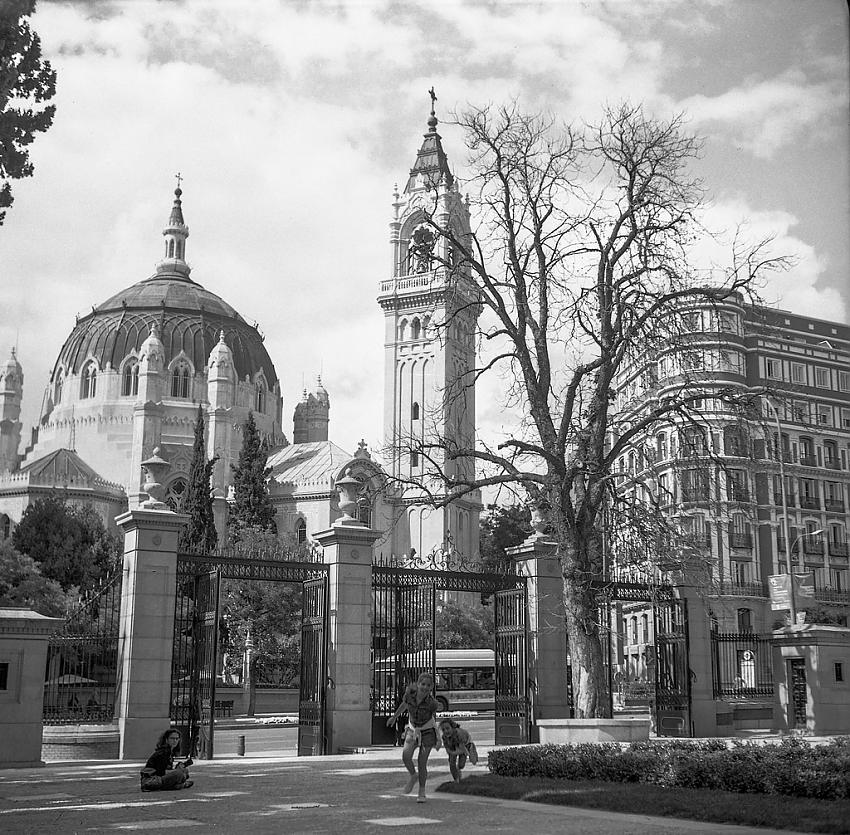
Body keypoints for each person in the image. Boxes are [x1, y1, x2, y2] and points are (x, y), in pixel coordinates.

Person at [387, 672, 440, 803]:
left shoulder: (432, 703)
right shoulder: (409, 695)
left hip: (427, 732)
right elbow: (404, 706)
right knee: (406, 757)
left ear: (432, 687)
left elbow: (433, 719)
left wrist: (438, 737)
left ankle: (421, 791)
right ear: (418, 684)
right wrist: (394, 717)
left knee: (422, 762)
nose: (425, 687)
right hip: (412, 730)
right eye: (423, 684)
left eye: (428, 685)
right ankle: (413, 775)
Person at [438, 718, 476, 782]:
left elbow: (464, 750)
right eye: (443, 730)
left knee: (461, 765)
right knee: (451, 763)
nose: (445, 731)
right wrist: (451, 754)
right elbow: (448, 749)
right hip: (452, 746)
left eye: (447, 728)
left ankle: (459, 769)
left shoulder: (460, 734)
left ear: (453, 727)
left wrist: (469, 754)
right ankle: (456, 780)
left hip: (465, 745)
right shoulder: (444, 737)